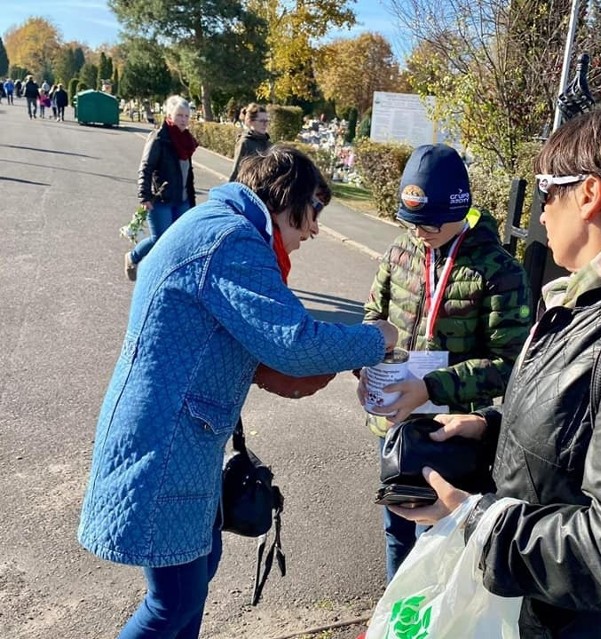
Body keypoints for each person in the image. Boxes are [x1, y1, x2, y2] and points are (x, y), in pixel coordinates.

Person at [390, 91, 601, 639]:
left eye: (548, 191)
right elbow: (581, 430)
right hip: (536, 605)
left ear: (590, 194)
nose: (541, 210)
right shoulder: (594, 298)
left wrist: (474, 522)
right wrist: (489, 428)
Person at [78, 144, 399, 639]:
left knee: (194, 577)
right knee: (175, 599)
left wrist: (276, 369)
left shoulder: (218, 222)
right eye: (312, 211)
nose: (314, 228)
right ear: (286, 199)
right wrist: (377, 338)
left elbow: (226, 333)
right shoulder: (233, 240)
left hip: (175, 436)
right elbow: (294, 343)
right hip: (168, 445)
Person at [359, 143, 532, 581]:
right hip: (394, 425)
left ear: (462, 206)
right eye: (411, 221)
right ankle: (397, 622)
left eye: (432, 222)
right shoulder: (399, 251)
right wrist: (364, 368)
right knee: (396, 530)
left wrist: (433, 387)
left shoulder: (498, 270)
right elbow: (371, 319)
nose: (421, 232)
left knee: (438, 545)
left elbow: (513, 366)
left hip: (449, 434)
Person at [125, 95, 198, 281]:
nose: (183, 119)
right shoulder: (159, 138)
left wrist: (191, 199)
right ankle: (133, 257)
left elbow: (187, 173)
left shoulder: (187, 141)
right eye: (179, 115)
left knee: (180, 239)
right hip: (162, 199)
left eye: (186, 116)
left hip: (182, 200)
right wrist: (144, 196)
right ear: (170, 115)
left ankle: (169, 276)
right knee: (160, 239)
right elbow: (145, 168)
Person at [228, 103, 271, 181]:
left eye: (266, 121)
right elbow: (236, 170)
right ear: (251, 121)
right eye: (261, 121)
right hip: (248, 186)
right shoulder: (245, 142)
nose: (265, 124)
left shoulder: (268, 143)